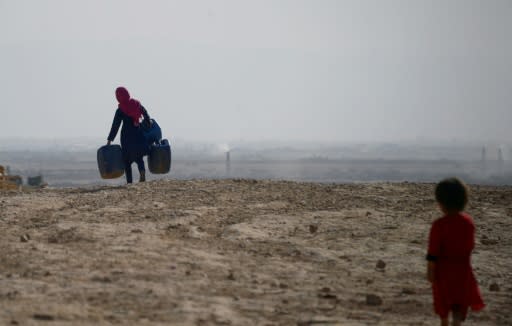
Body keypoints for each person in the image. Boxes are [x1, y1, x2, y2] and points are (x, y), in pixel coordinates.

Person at [426, 177, 485, 326]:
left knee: (443, 307)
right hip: (463, 272)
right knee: (458, 306)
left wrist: (430, 272)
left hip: (443, 273)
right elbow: (469, 247)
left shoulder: (439, 225)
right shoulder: (468, 223)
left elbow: (433, 253)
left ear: (441, 203)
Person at [107, 86, 152, 184]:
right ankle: (142, 171)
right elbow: (145, 114)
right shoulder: (136, 104)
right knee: (139, 156)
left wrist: (110, 139)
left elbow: (115, 125)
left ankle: (129, 182)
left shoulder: (120, 110)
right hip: (138, 133)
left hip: (126, 137)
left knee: (127, 160)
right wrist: (147, 123)